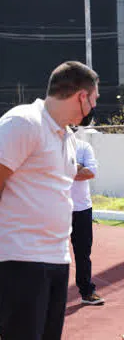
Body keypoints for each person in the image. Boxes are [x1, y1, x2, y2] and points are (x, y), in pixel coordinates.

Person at [0, 61, 99, 340]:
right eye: (95, 99)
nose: (94, 107)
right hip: (21, 257)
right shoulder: (23, 122)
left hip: (56, 257)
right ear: (82, 96)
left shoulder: (67, 137)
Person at [70, 131, 104, 305]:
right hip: (56, 207)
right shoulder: (51, 146)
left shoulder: (84, 146)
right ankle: (44, 294)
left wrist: (67, 167)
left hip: (82, 208)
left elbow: (91, 172)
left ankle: (87, 292)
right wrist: (78, 166)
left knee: (83, 252)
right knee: (49, 252)